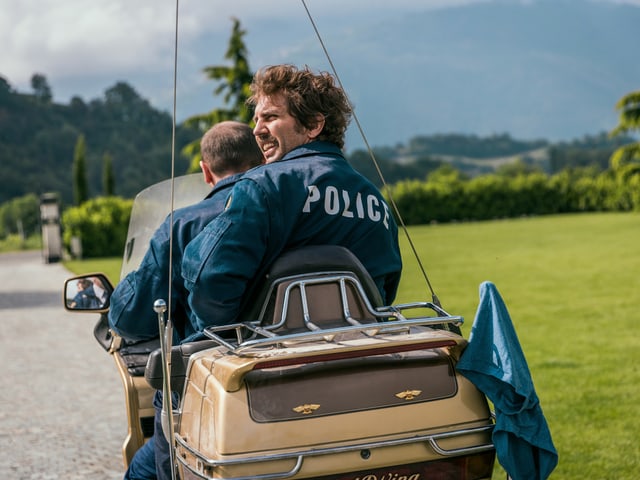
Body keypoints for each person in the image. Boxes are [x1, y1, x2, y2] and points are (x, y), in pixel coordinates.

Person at [182, 64, 403, 336]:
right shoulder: (375, 199)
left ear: (313, 125)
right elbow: (384, 288)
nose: (257, 130)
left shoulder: (262, 186)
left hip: (273, 362)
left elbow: (210, 278)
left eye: (270, 117)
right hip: (362, 354)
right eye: (256, 120)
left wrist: (230, 334)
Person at [107, 121, 263, 480]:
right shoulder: (290, 216)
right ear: (263, 161)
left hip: (204, 387)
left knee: (143, 472)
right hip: (285, 369)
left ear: (206, 171)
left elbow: (130, 316)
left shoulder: (182, 225)